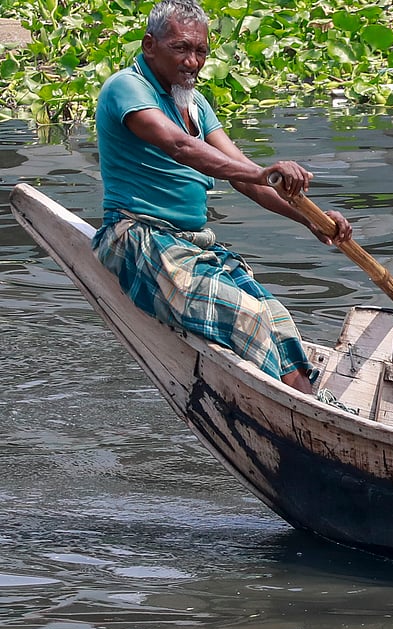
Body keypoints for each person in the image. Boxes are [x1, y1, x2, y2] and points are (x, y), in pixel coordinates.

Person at [92, 0, 352, 396]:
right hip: (138, 237)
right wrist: (263, 172)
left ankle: (313, 406)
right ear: (149, 45)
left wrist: (313, 221)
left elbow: (247, 179)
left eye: (200, 52)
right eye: (181, 48)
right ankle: (303, 410)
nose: (192, 62)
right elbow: (180, 147)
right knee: (247, 317)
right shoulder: (127, 87)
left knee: (276, 316)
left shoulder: (194, 102)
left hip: (190, 244)